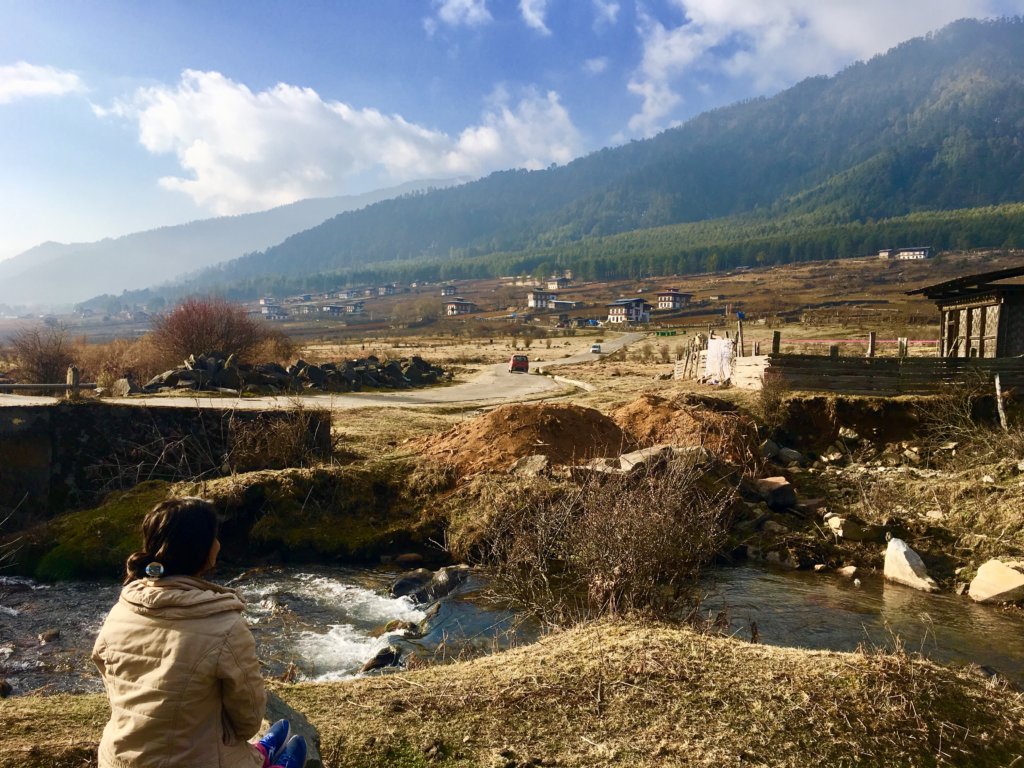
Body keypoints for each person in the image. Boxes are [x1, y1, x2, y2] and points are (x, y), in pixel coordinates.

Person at [92, 497, 307, 768]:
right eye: (215, 537)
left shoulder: (119, 612)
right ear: (205, 551)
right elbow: (248, 721)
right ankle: (266, 760)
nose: (218, 543)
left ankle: (258, 755)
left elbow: (113, 683)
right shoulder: (226, 627)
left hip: (117, 760)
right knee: (291, 755)